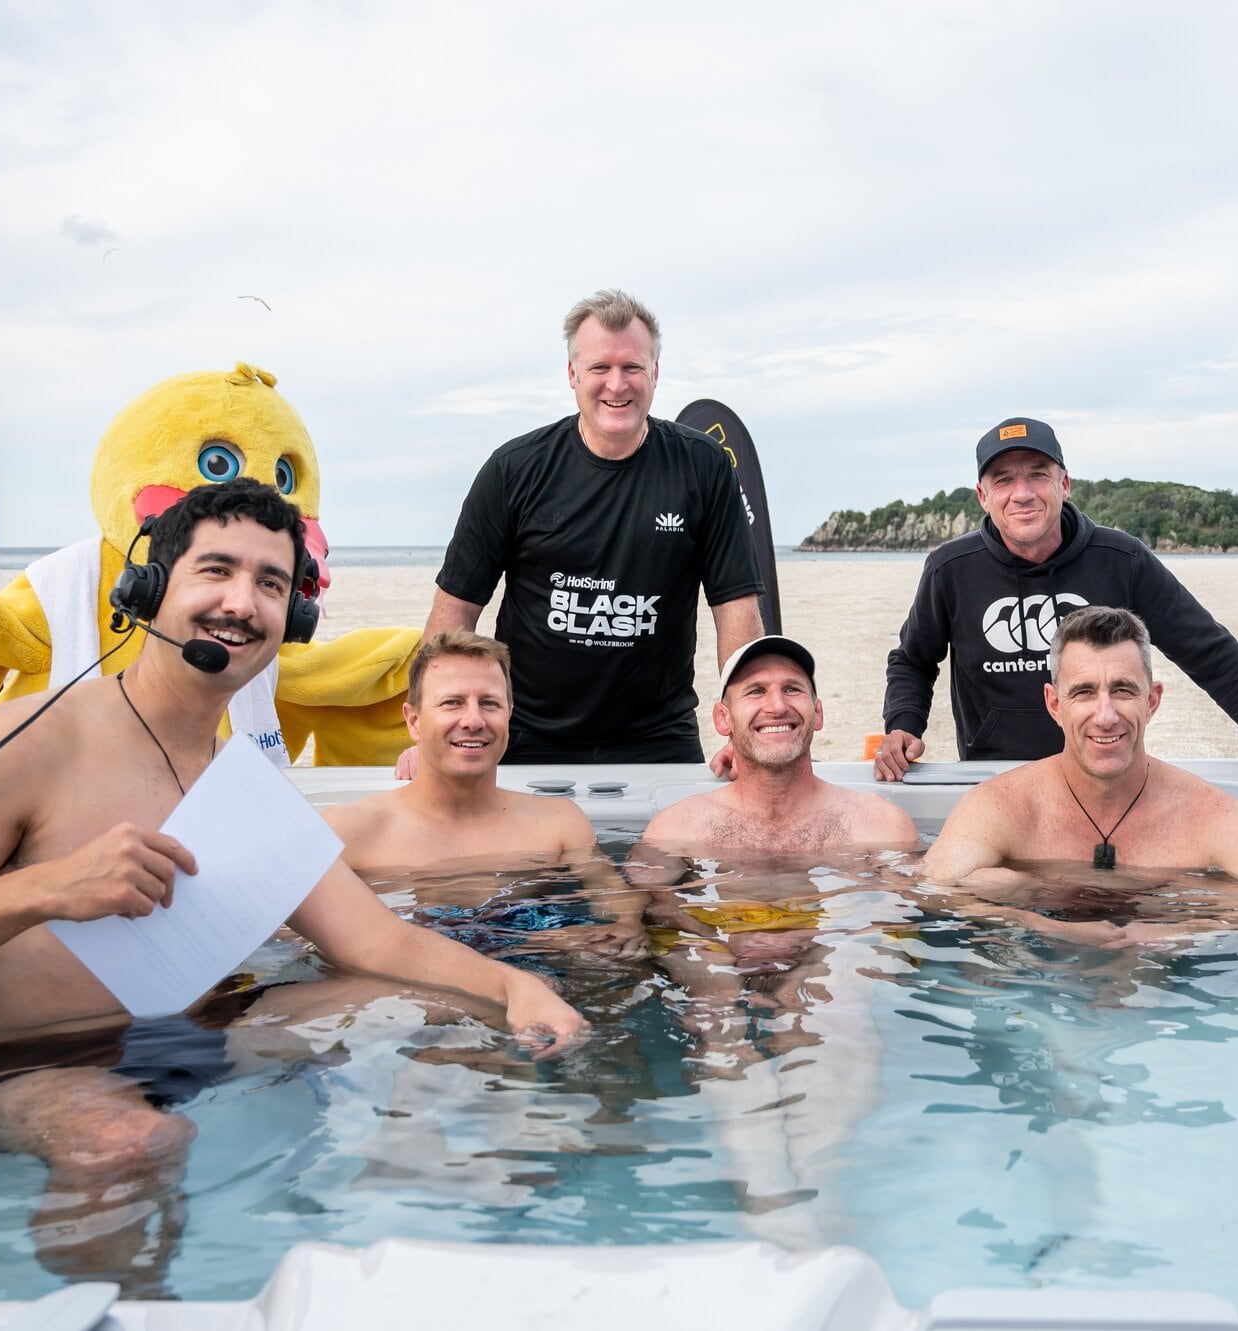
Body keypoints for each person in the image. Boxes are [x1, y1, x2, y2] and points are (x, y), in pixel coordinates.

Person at [0, 480, 587, 1262]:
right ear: (149, 586)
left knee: (428, 1006)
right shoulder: (31, 743)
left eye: (271, 582)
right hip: (20, 1065)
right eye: (216, 571)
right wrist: (40, 889)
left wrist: (517, 989)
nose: (241, 601)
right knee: (134, 1144)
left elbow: (381, 942)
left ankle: (442, 1211)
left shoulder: (246, 789)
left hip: (191, 1037)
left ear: (291, 617)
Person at [874, 417, 1238, 788]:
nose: (1022, 493)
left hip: (1108, 776)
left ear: (1064, 485)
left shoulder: (1121, 560)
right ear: (982, 496)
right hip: (997, 777)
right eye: (1004, 480)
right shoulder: (951, 569)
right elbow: (913, 660)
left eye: (1038, 474)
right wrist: (903, 725)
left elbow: (1212, 654)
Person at [403, 289, 765, 772]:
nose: (617, 385)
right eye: (600, 368)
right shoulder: (514, 470)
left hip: (658, 736)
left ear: (655, 373)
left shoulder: (704, 468)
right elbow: (454, 614)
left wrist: (744, 734)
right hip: (526, 733)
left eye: (632, 367)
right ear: (572, 374)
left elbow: (736, 613)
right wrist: (430, 737)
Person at [921, 606, 1238, 947]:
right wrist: (1041, 920)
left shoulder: (1209, 815)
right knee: (991, 888)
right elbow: (926, 889)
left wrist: (1186, 930)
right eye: (1084, 692)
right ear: (1055, 704)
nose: (1106, 715)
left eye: (1123, 690)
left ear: (1152, 700)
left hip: (1171, 978)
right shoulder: (1004, 805)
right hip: (1037, 965)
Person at [325, 630, 646, 961]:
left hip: (540, 971)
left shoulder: (558, 822)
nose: (474, 720)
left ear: (508, 715)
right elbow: (307, 940)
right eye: (452, 702)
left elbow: (616, 898)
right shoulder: (348, 832)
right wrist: (541, 943)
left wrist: (625, 927)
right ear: (414, 721)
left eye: (489, 704)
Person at [637, 635, 919, 857]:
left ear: (817, 713)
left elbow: (900, 922)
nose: (777, 706)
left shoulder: (880, 826)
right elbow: (641, 917)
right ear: (723, 719)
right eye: (756, 691)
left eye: (792, 689)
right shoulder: (677, 829)